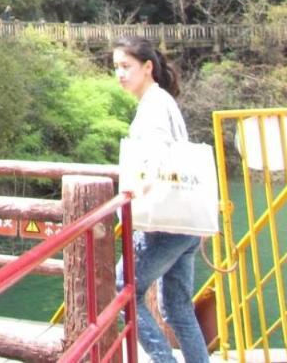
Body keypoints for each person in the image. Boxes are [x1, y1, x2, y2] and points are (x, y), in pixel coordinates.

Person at [113, 35, 209, 363]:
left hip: (165, 223)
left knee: (123, 290)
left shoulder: (153, 106)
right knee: (178, 309)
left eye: (126, 66)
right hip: (187, 222)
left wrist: (138, 190)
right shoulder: (163, 100)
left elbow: (153, 155)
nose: (120, 74)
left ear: (147, 67)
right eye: (116, 68)